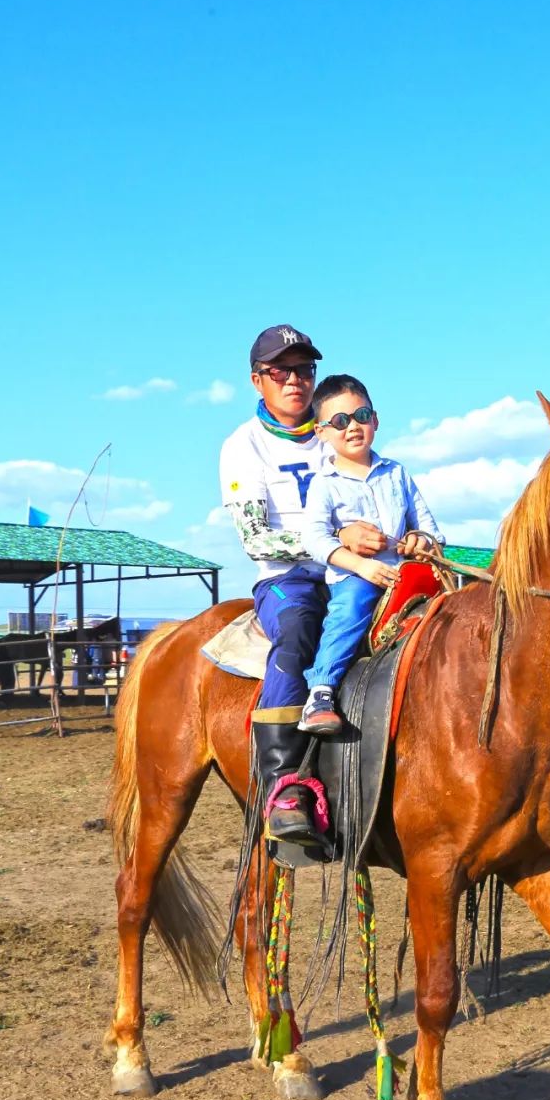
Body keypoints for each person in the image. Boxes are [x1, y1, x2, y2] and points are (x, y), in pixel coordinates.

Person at [219, 328, 388, 846]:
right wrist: (335, 539)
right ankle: (283, 786)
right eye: (280, 371)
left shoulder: (338, 427)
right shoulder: (242, 447)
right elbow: (255, 538)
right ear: (257, 381)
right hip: (288, 578)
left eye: (305, 370)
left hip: (357, 569)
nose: (295, 380)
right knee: (297, 632)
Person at [297, 373, 444, 734]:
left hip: (405, 573)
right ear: (322, 432)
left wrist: (420, 543)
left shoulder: (397, 474)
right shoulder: (324, 484)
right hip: (355, 577)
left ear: (375, 420)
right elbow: (313, 537)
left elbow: (429, 528)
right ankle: (321, 690)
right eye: (340, 422)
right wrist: (360, 566)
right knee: (349, 610)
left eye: (361, 416)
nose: (352, 427)